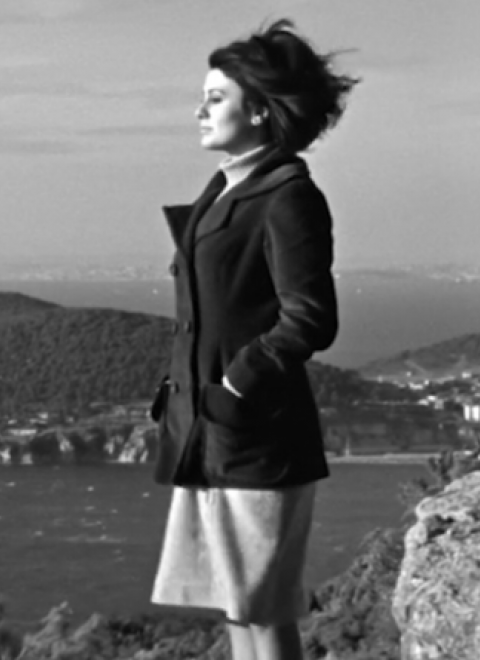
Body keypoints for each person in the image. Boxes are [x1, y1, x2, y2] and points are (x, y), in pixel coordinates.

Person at [148, 19, 358, 660]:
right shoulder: (227, 191)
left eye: (216, 98)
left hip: (256, 434)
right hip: (213, 434)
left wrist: (237, 382)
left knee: (262, 613)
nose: (199, 111)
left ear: (261, 110)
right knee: (237, 610)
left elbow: (310, 317)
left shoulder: (288, 196)